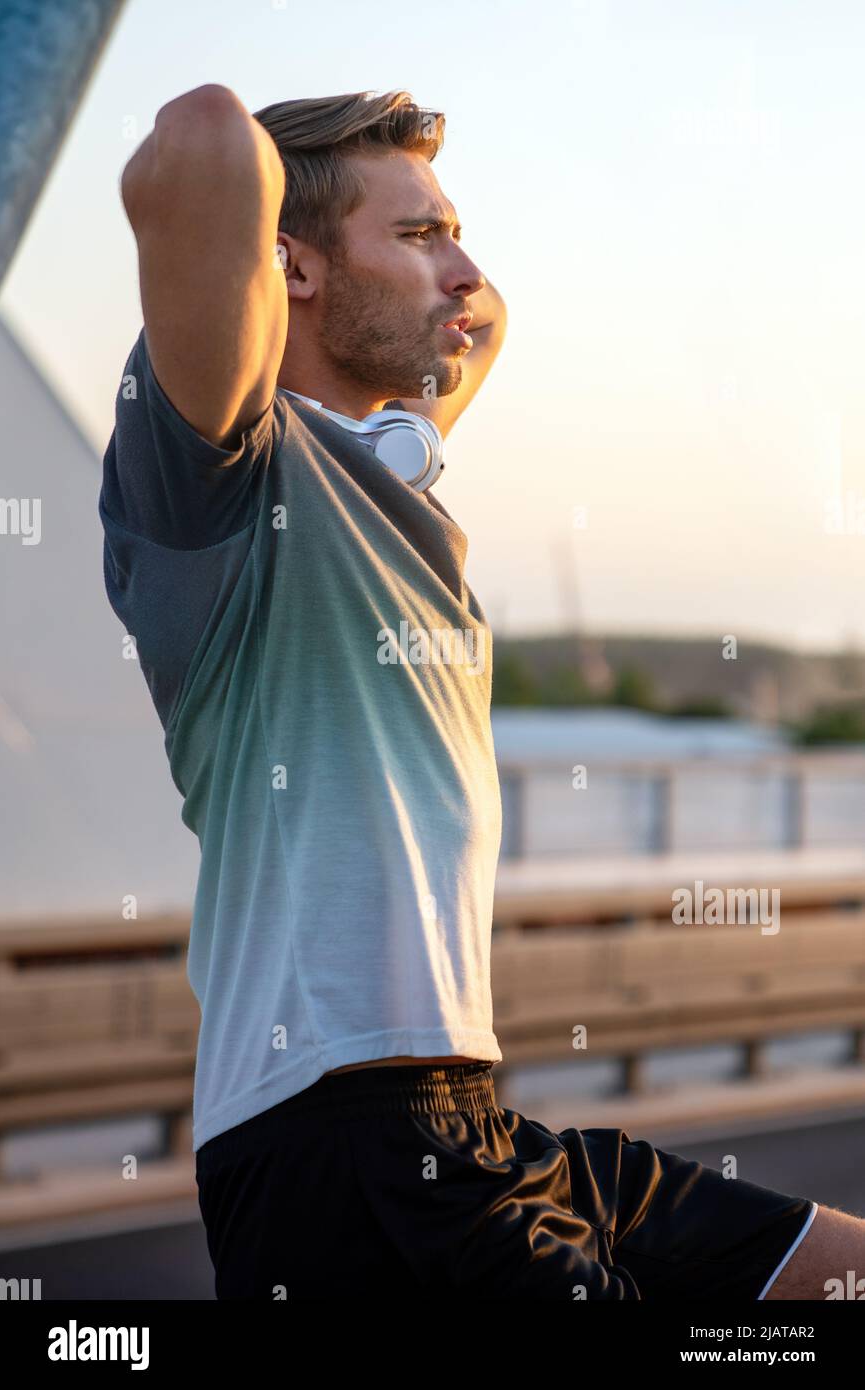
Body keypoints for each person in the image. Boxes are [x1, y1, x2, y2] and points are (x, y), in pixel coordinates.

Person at [99, 82, 864, 1299]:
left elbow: (482, 314)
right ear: (286, 266)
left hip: (473, 1122)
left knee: (841, 1275)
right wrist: (297, 226)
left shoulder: (392, 483)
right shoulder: (223, 489)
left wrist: (404, 255)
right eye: (419, 234)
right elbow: (202, 136)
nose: (465, 270)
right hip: (344, 1142)